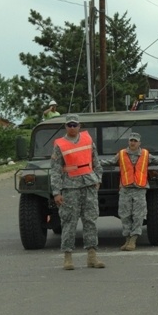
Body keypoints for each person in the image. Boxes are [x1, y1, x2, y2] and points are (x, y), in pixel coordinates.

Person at [50, 114, 105, 270]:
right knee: (69, 222)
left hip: (88, 184)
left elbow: (96, 161)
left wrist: (98, 179)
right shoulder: (60, 144)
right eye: (69, 125)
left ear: (79, 126)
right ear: (65, 127)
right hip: (70, 187)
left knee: (90, 220)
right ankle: (68, 257)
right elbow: (55, 170)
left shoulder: (88, 140)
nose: (72, 127)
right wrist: (56, 192)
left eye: (75, 125)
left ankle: (92, 256)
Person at [102, 132, 158, 251]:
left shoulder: (145, 154)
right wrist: (93, 163)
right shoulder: (122, 154)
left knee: (138, 215)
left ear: (139, 143)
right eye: (131, 140)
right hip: (125, 189)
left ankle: (133, 239)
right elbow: (110, 162)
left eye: (135, 141)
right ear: (128, 142)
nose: (132, 143)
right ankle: (127, 238)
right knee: (125, 215)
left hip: (139, 189)